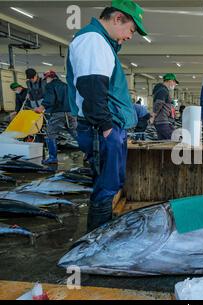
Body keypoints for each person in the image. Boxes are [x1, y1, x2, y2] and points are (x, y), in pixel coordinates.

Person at [66, 0, 147, 232]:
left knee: (110, 184)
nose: (130, 36)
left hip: (108, 128)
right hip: (101, 129)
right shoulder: (93, 40)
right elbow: (92, 88)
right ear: (118, 18)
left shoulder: (102, 42)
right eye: (131, 29)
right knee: (107, 187)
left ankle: (101, 239)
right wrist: (106, 127)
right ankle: (95, 246)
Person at [34, 70, 77, 165]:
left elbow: (50, 99)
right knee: (76, 134)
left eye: (46, 79)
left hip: (58, 113)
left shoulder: (50, 85)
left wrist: (41, 108)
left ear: (48, 78)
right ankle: (89, 154)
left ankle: (53, 158)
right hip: (70, 113)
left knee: (51, 134)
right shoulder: (65, 85)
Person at [153, 73, 178, 140]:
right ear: (170, 81)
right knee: (174, 140)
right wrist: (153, 115)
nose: (175, 85)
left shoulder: (163, 90)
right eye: (174, 82)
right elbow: (158, 103)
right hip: (163, 122)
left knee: (163, 142)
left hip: (163, 122)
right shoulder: (163, 91)